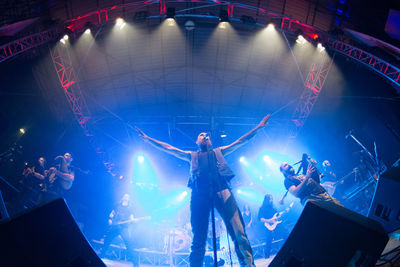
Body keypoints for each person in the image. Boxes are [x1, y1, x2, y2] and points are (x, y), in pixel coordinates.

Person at [136, 115, 270, 267]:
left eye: (206, 135)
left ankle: (248, 264)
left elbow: (240, 141)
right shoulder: (192, 155)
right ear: (197, 141)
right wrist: (149, 139)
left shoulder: (219, 151)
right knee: (199, 238)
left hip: (222, 190)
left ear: (210, 141)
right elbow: (169, 148)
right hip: (199, 195)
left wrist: (258, 127)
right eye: (201, 135)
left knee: (238, 232)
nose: (204, 136)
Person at [99, 194, 139, 267]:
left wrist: (133, 220)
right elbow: (112, 213)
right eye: (125, 196)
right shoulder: (117, 205)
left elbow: (131, 217)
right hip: (115, 226)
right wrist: (110, 219)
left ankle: (135, 263)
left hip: (123, 227)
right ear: (123, 197)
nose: (126, 197)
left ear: (129, 199)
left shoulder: (130, 207)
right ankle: (101, 256)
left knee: (128, 244)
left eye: (127, 196)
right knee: (107, 240)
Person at [257, 194, 277, 259]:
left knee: (285, 233)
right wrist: (268, 220)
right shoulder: (262, 208)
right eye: (270, 199)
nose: (271, 200)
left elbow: (277, 214)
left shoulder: (273, 206)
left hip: (275, 223)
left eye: (272, 199)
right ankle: (267, 255)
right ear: (266, 200)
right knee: (269, 239)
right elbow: (259, 218)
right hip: (267, 225)